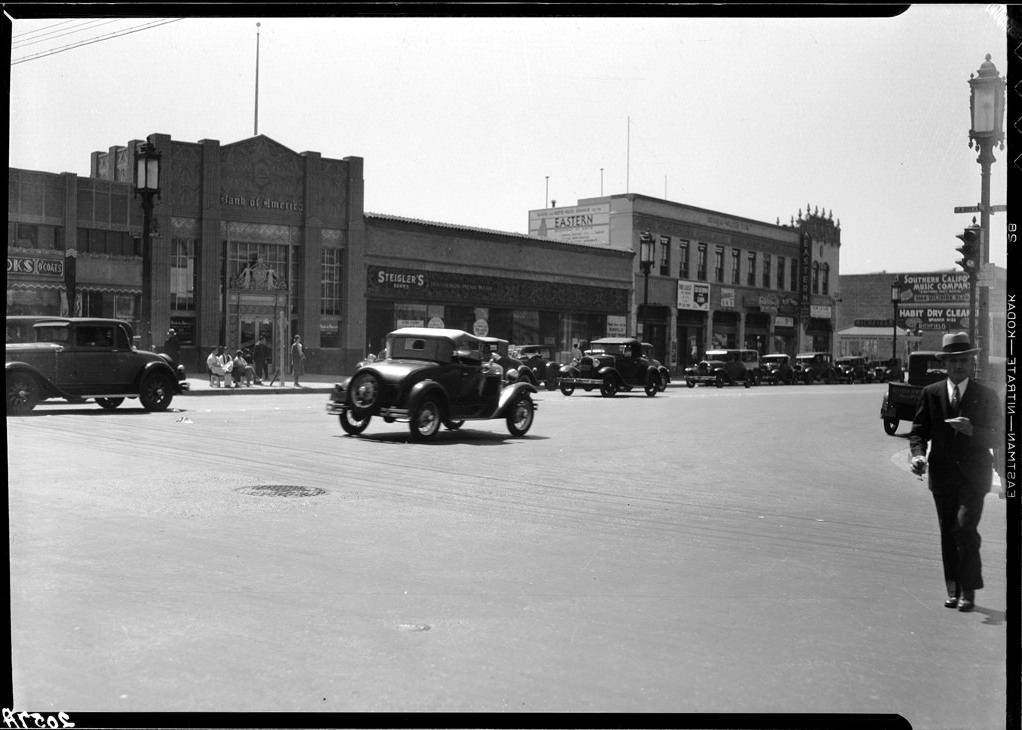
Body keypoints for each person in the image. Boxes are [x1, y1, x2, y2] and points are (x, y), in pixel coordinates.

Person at [909, 332, 1002, 613]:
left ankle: (969, 591)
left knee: (964, 528)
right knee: (948, 532)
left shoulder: (985, 396)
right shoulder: (932, 393)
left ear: (972, 362)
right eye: (954, 361)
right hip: (942, 475)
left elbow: (999, 437)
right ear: (945, 364)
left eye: (964, 361)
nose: (959, 366)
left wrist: (973, 431)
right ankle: (953, 588)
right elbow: (918, 432)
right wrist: (917, 456)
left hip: (975, 476)